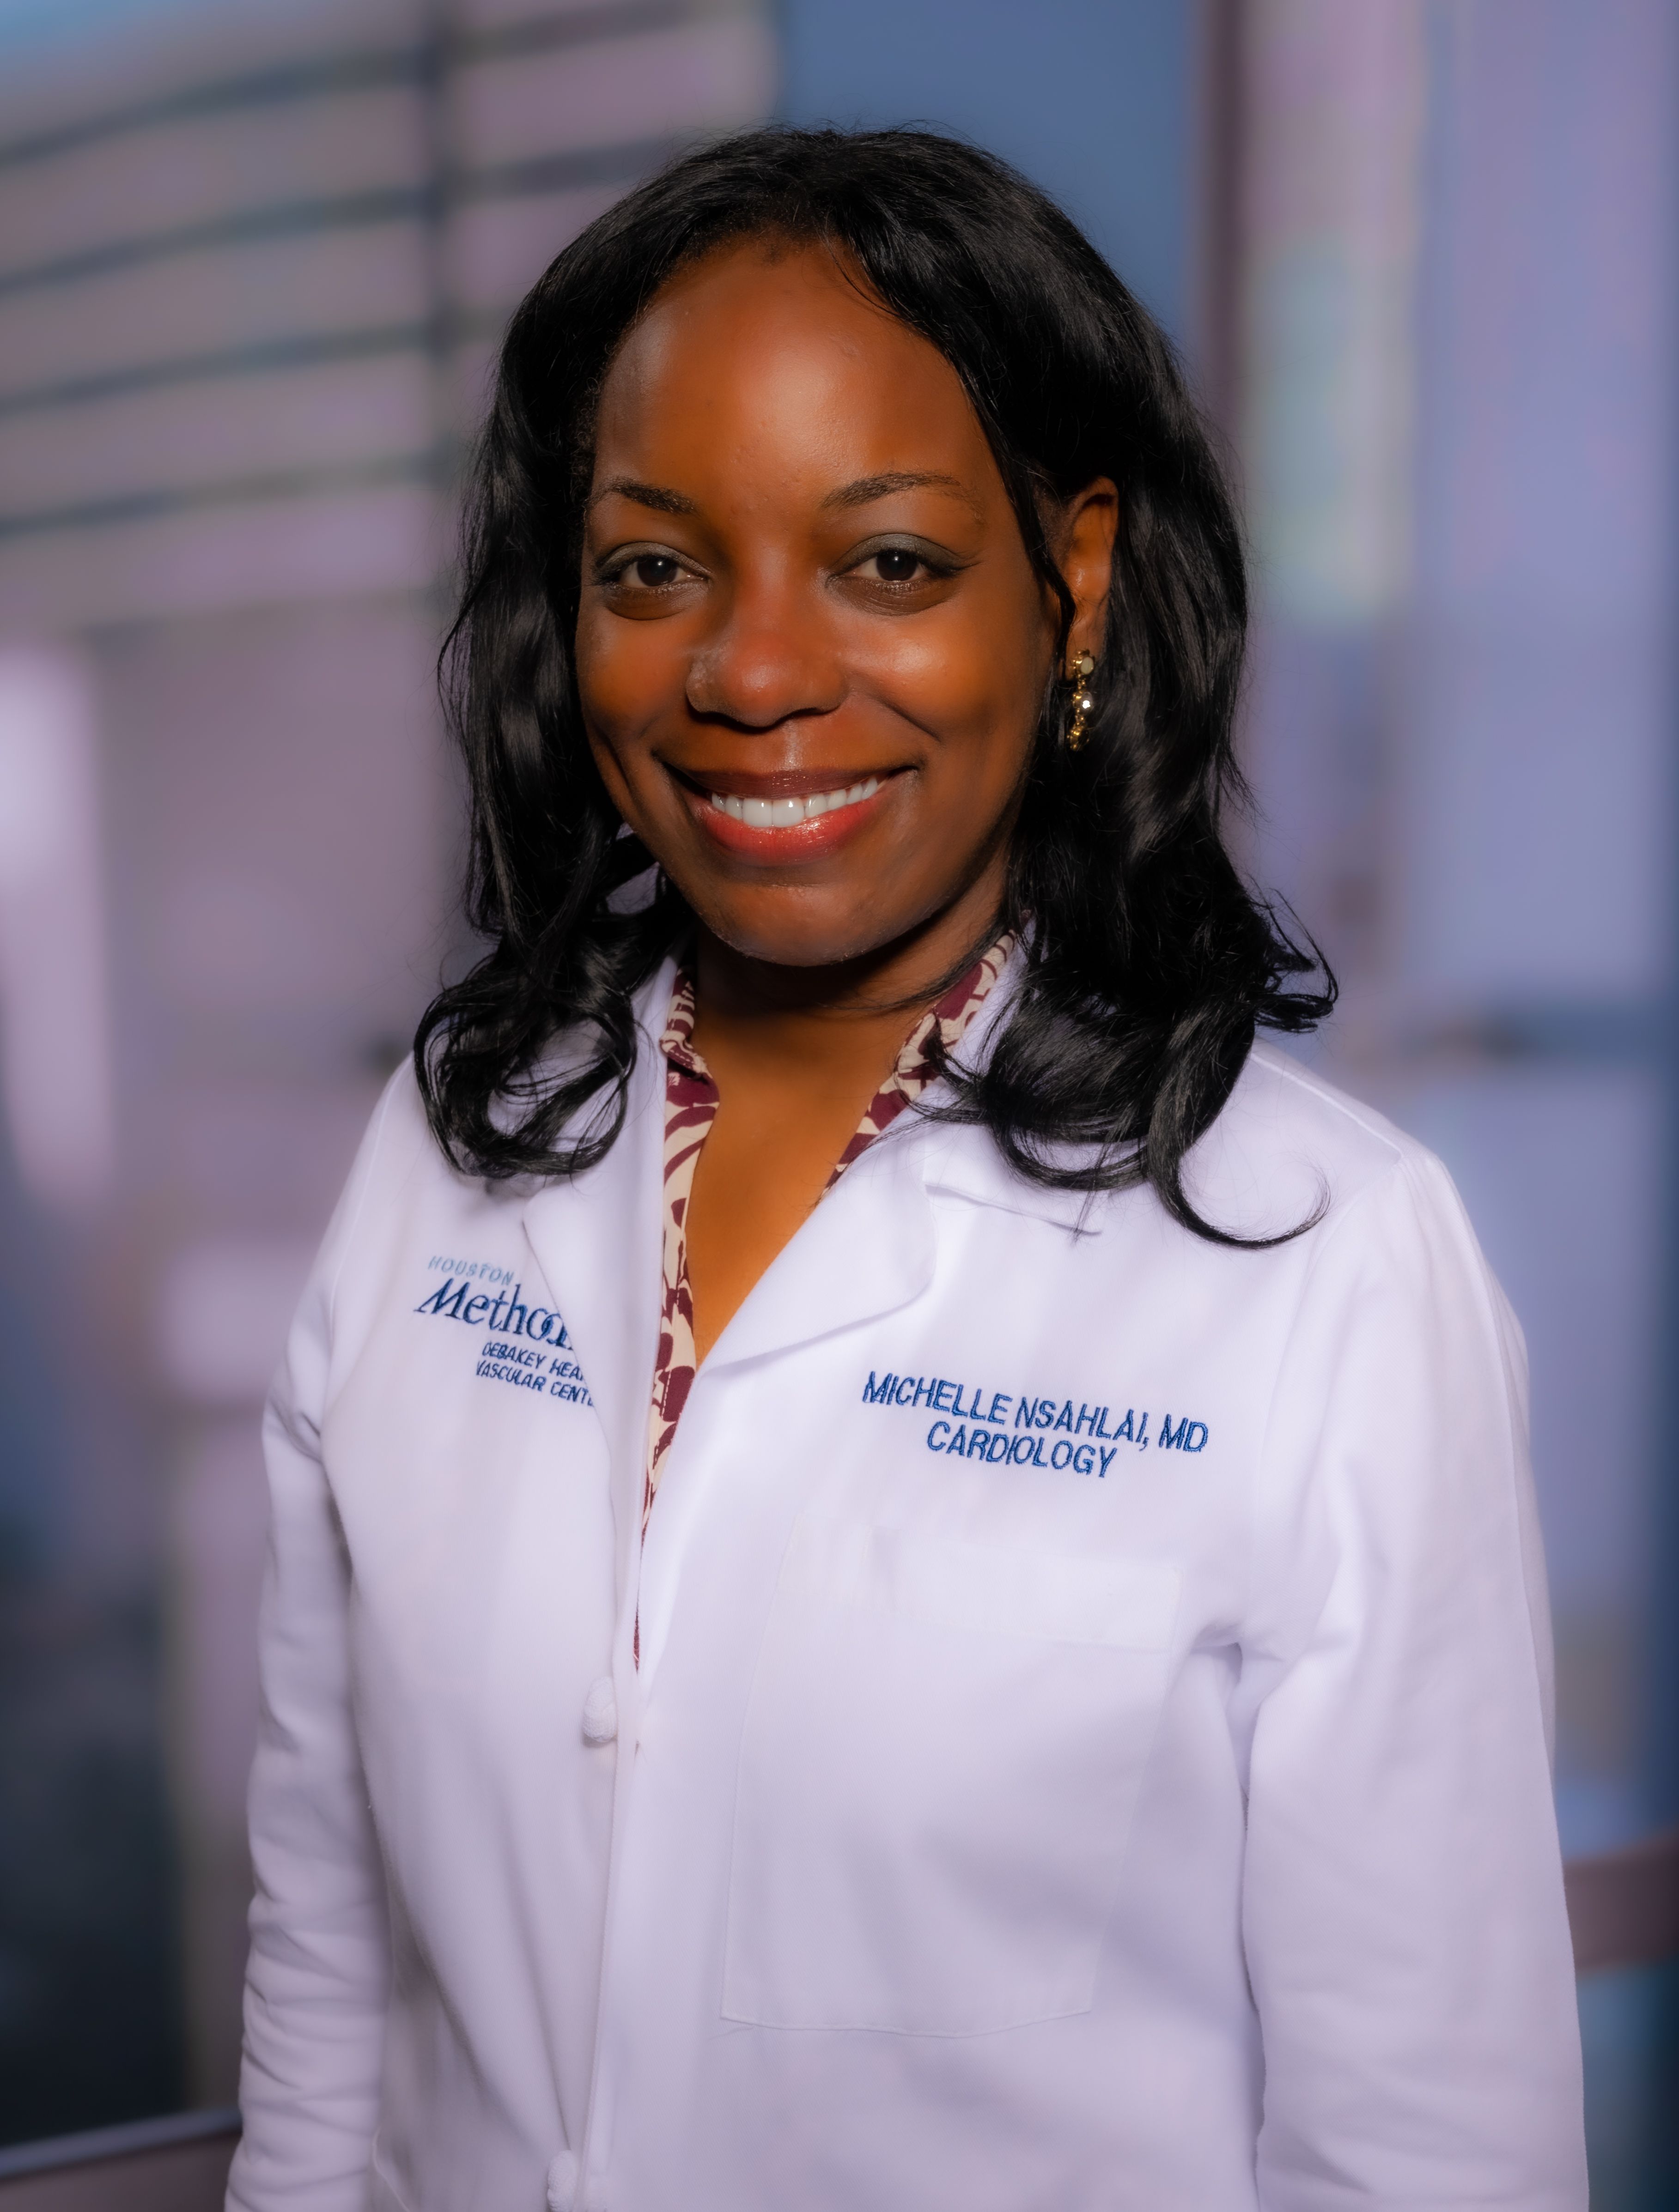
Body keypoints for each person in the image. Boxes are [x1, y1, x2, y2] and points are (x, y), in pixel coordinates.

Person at [226, 128, 1586, 2212]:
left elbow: (1427, 2154)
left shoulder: (1328, 1263)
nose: (753, 675)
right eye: (655, 569)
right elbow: (330, 1973)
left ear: (1076, 582)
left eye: (887, 565)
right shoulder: (446, 1151)